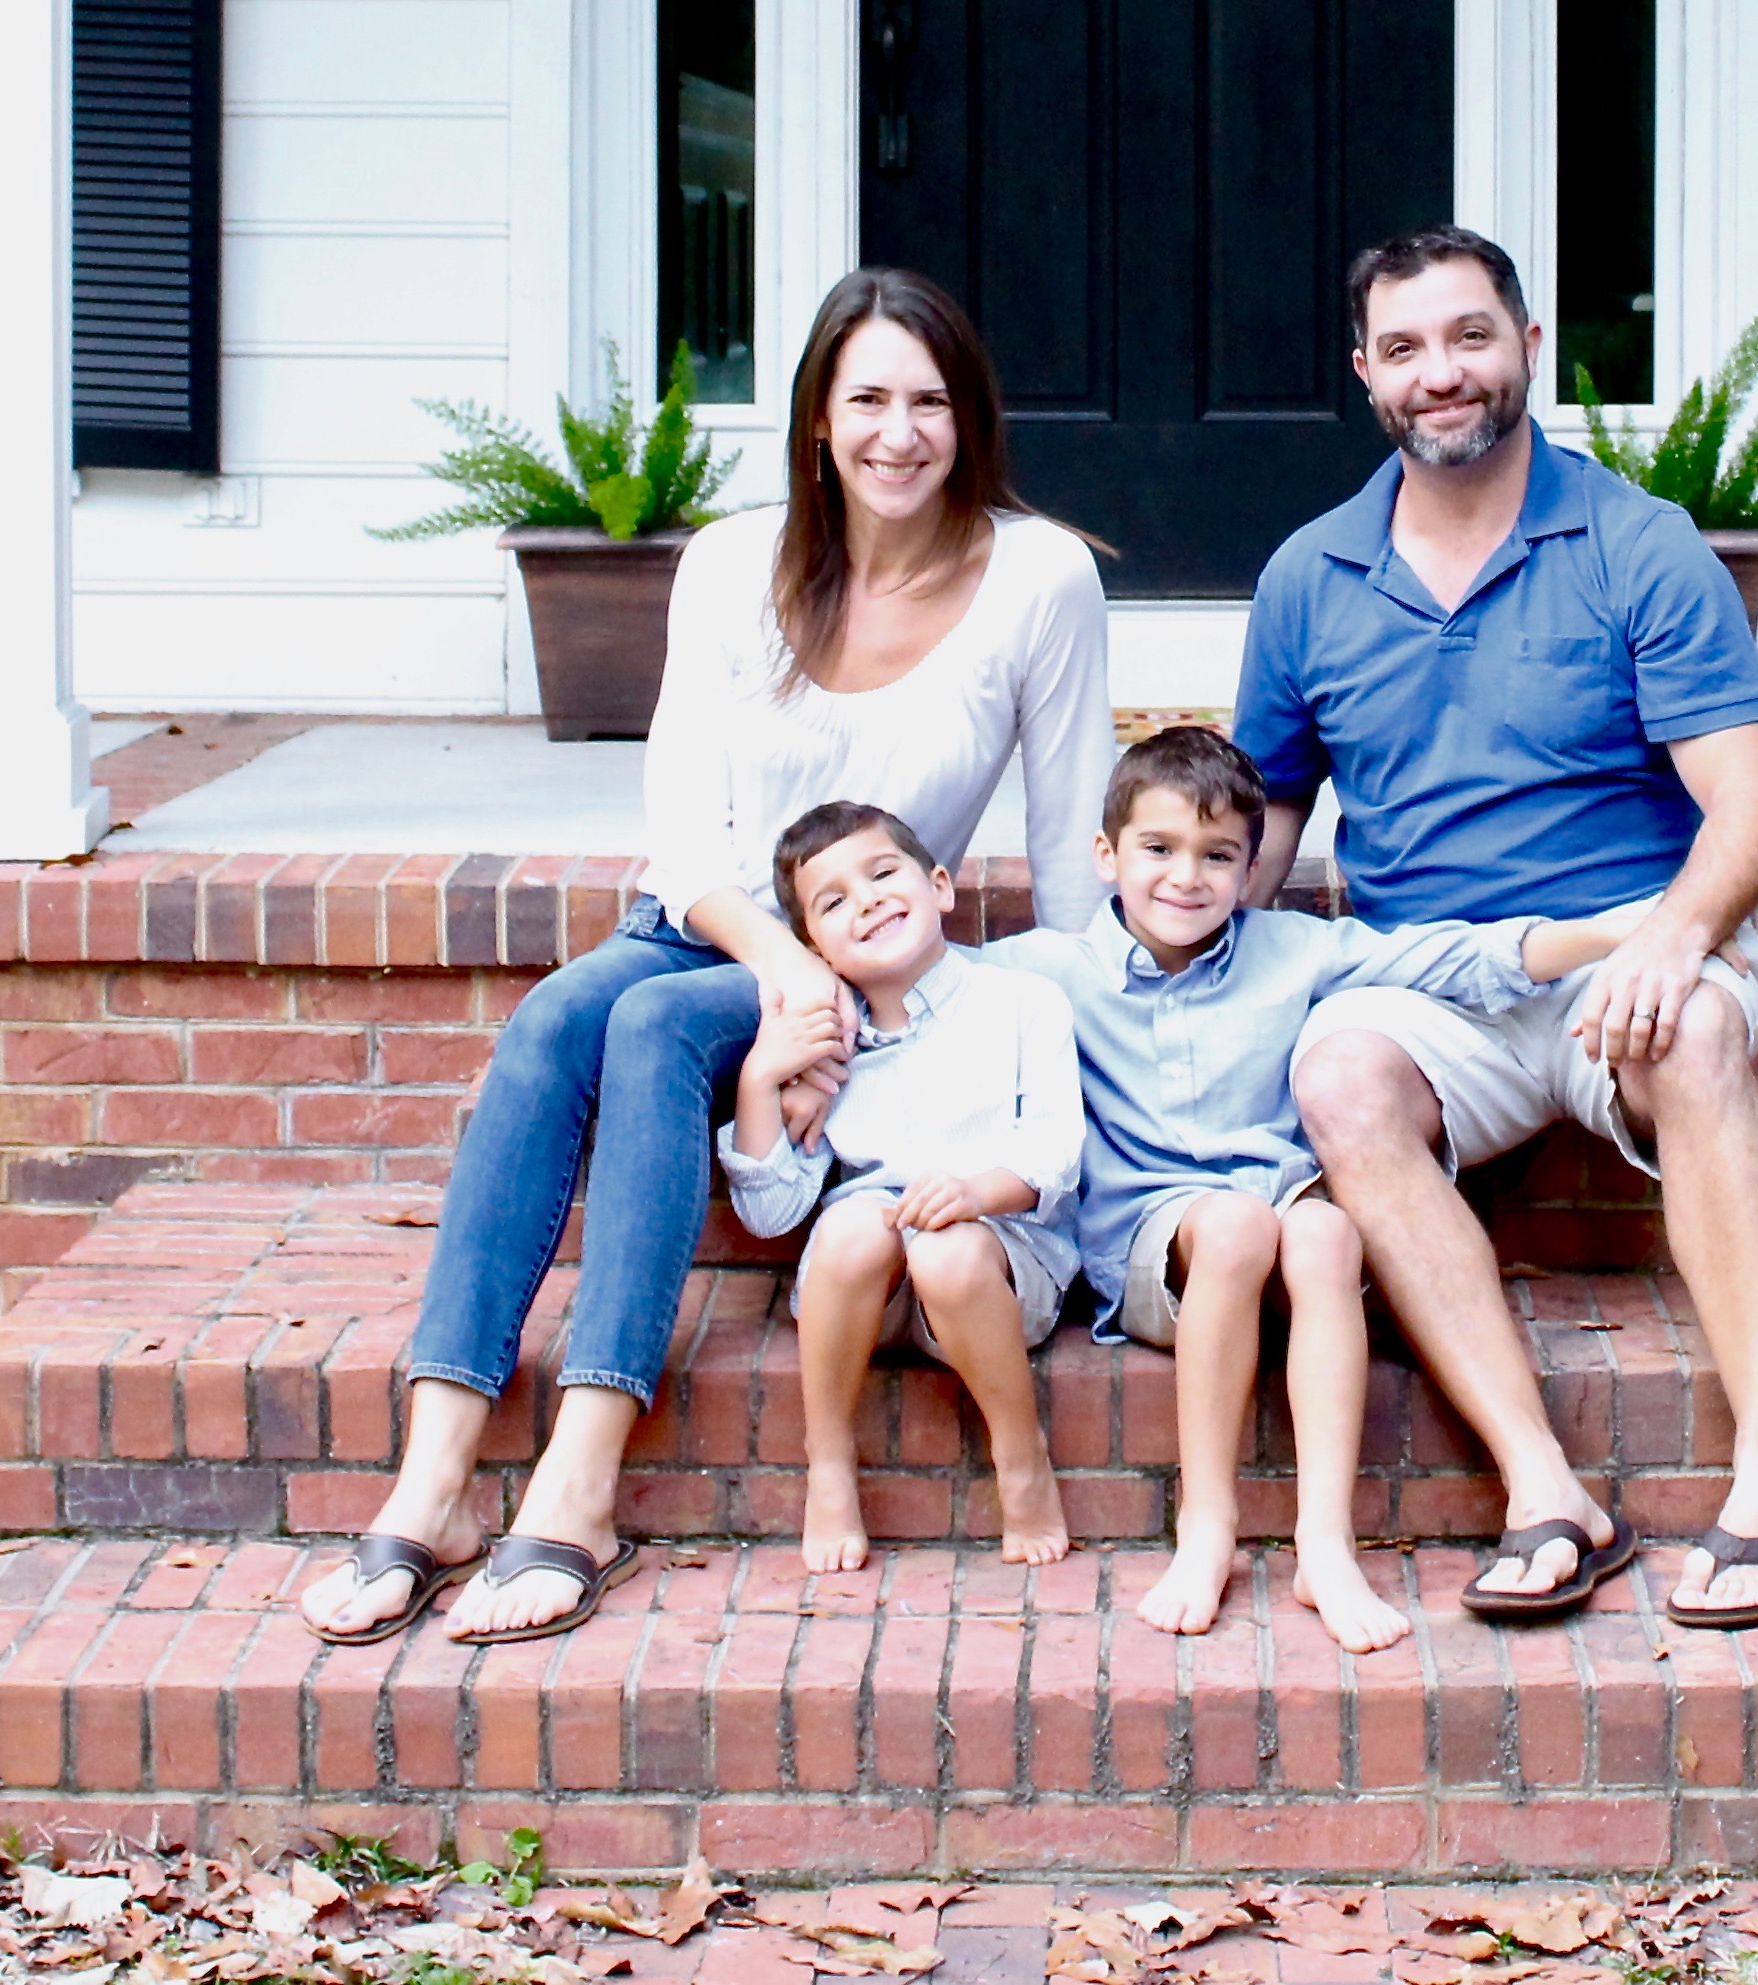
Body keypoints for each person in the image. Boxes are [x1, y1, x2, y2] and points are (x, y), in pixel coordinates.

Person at [296, 267, 1113, 1647]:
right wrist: (777, 962)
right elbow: (683, 827)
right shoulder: (735, 561)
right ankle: (434, 1479)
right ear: (815, 419)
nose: (897, 433)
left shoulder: (1039, 577)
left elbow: (1069, 853)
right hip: (713, 924)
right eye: (866, 399)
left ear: (969, 421)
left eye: (929, 402)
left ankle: (582, 1477)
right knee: (561, 1020)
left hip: (872, 953)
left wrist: (1069, 1073)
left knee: (653, 1035)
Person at [1236, 225, 1758, 1630]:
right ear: (1366, 372)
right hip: (1438, 976)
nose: (1446, 374)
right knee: (1337, 1073)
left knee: (1688, 1044)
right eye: (1411, 349)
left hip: (1633, 939)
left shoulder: (1637, 545)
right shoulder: (1310, 577)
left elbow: (1755, 809)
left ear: (1528, 346)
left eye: (1472, 337)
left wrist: (1680, 937)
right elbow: (1258, 824)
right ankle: (1546, 1486)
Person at [985, 727, 1636, 1651]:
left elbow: (1447, 959)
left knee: (1327, 1233)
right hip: (1152, 1249)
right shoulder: (1045, 972)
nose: (1187, 877)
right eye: (1159, 850)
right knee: (1239, 1226)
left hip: (1277, 1228)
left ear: (1253, 868)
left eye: (1219, 857)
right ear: (1107, 855)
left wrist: (1623, 931)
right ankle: (1206, 1527)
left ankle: (1324, 1544)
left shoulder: (1293, 950)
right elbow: (911, 990)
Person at [722, 803, 1082, 1574]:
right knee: (853, 1227)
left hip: (996, 1265)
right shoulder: (825, 1044)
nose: (869, 899)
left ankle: (1020, 1459)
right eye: (834, 900)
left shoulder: (1022, 1002)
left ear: (941, 886)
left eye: (884, 873)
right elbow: (772, 1211)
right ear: (814, 947)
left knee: (947, 1253)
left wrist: (975, 1191)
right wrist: (760, 1078)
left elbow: (1055, 1153)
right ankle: (828, 1464)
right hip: (873, 1289)